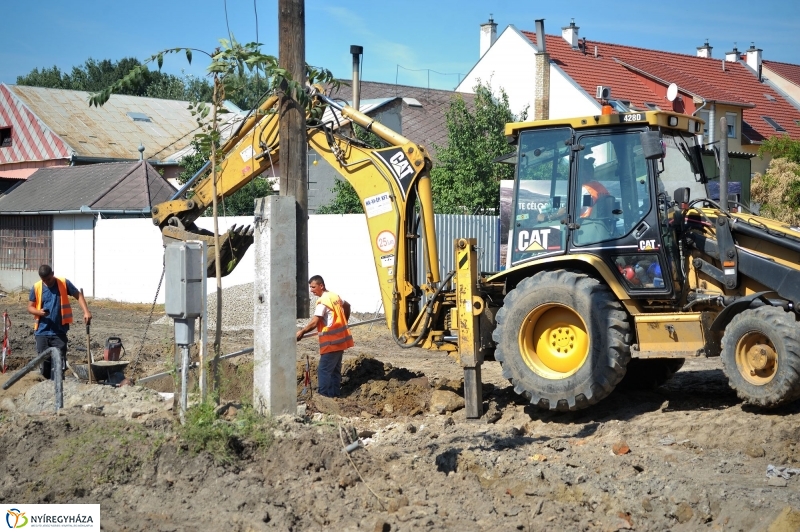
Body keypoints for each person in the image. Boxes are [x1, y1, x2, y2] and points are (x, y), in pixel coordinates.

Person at [27, 264, 92, 380]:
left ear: (53, 274)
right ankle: (46, 386)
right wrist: (39, 312)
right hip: (42, 331)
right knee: (44, 364)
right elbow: (30, 307)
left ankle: (58, 386)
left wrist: (86, 312)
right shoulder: (36, 287)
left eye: (49, 279)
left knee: (58, 364)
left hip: (59, 332)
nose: (47, 282)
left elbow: (78, 295)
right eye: (44, 280)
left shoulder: (63, 283)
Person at [296, 275, 353, 398]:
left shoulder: (323, 301)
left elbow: (314, 322)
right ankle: (334, 395)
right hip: (340, 340)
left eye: (313, 287)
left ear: (321, 286)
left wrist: (302, 332)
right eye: (310, 287)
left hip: (331, 342)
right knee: (335, 370)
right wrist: (345, 322)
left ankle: (323, 397)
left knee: (324, 370)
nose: (311, 290)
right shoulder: (334, 296)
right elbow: (347, 306)